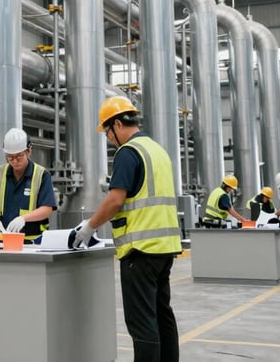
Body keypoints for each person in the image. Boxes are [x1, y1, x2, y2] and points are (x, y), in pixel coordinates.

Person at [73, 96, 182, 362]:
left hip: (140, 251)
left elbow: (115, 199)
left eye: (108, 132)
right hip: (165, 248)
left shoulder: (128, 153)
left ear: (118, 124)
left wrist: (87, 228)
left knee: (141, 321)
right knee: (161, 315)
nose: (109, 139)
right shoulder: (158, 150)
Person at [0, 128, 56, 240]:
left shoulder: (41, 175)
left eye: (19, 156)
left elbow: (47, 208)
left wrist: (23, 218)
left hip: (33, 241)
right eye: (10, 157)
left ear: (28, 151)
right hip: (4, 240)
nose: (14, 161)